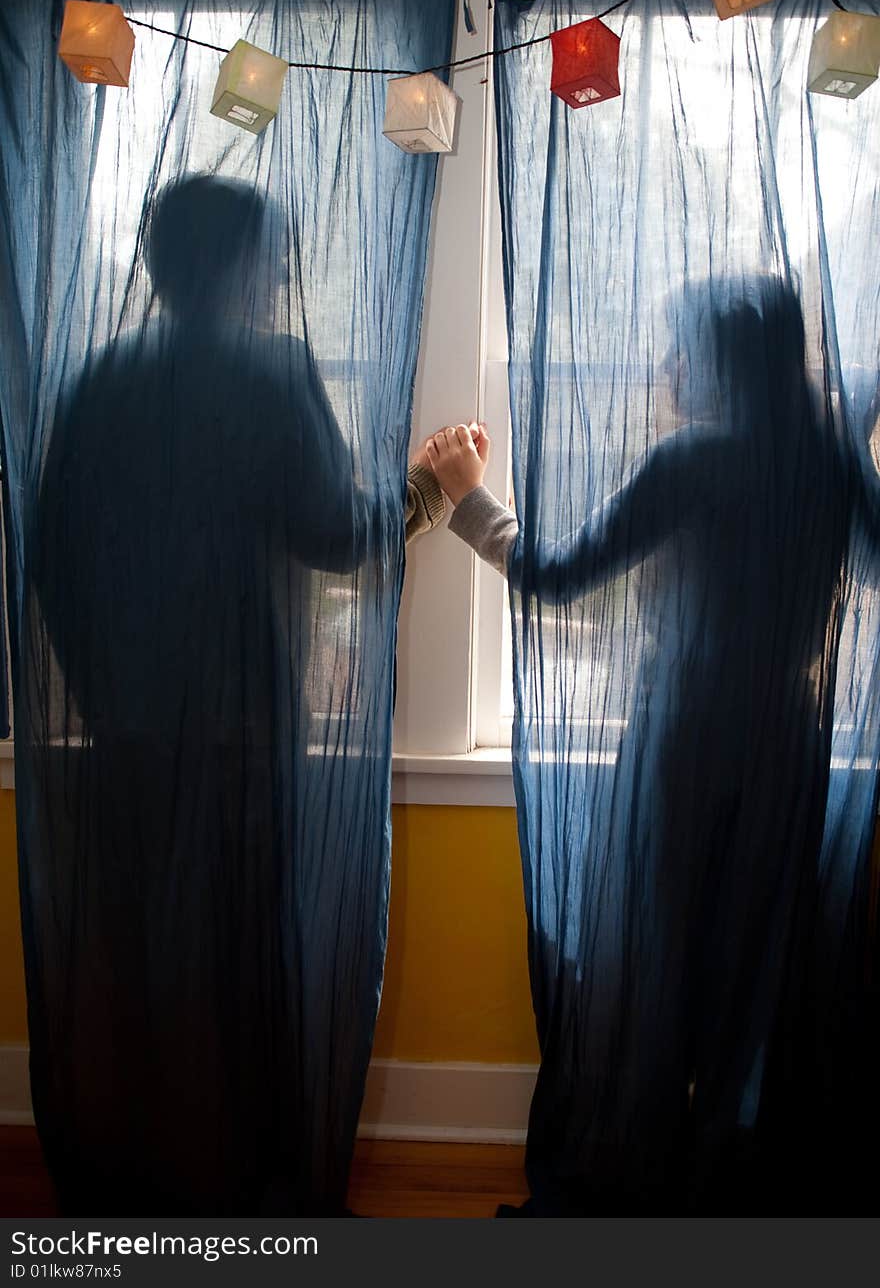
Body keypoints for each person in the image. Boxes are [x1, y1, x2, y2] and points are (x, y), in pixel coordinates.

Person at [26, 175, 444, 1214]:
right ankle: (253, 1197)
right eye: (277, 260)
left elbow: (48, 562)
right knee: (249, 970)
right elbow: (340, 534)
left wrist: (103, 686)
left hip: (128, 735)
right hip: (245, 736)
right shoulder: (274, 371)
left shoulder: (95, 382)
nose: (284, 277)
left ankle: (145, 1190)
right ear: (248, 265)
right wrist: (433, 487)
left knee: (142, 970)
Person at [427, 276, 875, 1212]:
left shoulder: (690, 463)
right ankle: (727, 1184)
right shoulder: (827, 466)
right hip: (787, 743)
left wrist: (470, 495)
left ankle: (653, 1184)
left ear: (719, 363)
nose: (666, 368)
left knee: (656, 962)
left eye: (680, 350)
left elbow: (554, 575)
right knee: (749, 966)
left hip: (683, 742)